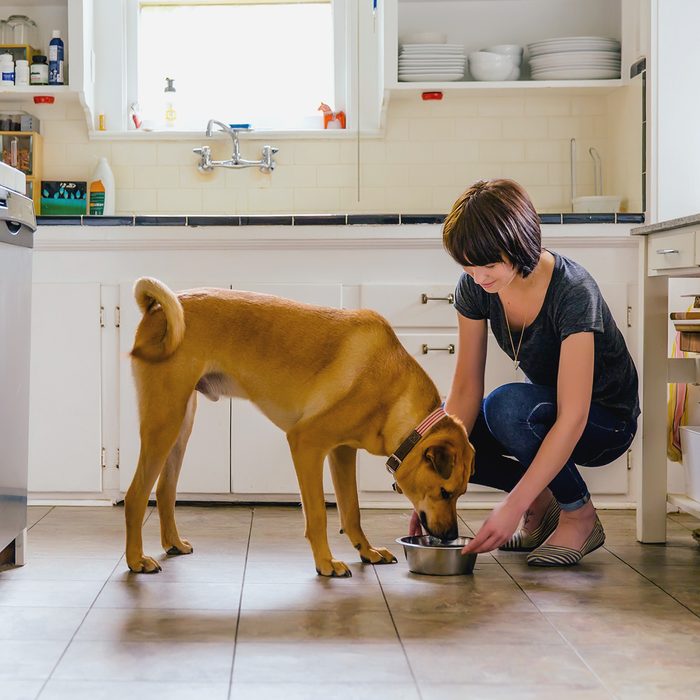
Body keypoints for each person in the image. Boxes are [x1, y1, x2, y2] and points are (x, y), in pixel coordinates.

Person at [410, 179, 639, 567]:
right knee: (452, 429)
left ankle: (579, 515)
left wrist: (510, 507)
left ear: (519, 245)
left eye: (488, 264)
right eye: (467, 265)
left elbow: (574, 416)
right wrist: (429, 485)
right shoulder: (475, 287)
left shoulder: (573, 290)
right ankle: (542, 502)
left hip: (604, 423)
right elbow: (465, 390)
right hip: (543, 414)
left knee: (505, 406)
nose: (478, 276)